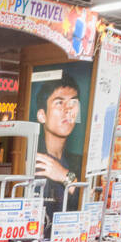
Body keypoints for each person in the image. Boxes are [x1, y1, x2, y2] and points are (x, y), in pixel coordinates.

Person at [33, 74, 84, 218]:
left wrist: (64, 175)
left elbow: (89, 200)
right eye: (59, 103)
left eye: (73, 103)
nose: (68, 109)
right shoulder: (30, 159)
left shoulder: (79, 163)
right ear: (42, 116)